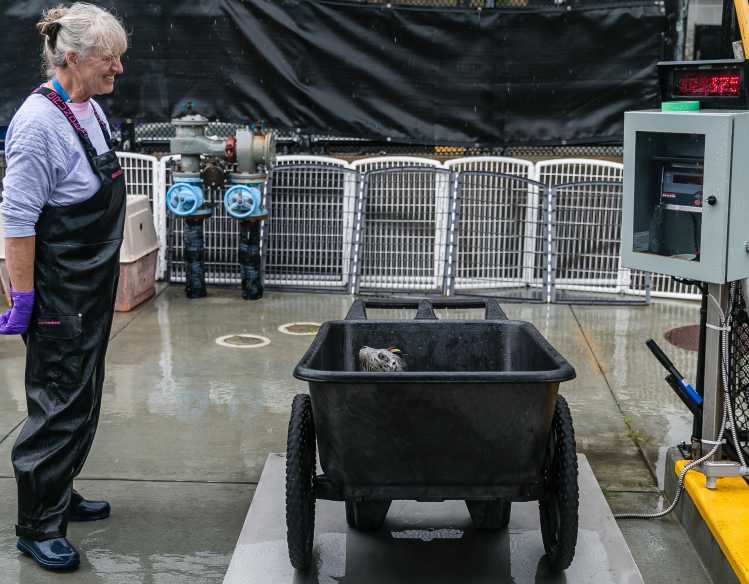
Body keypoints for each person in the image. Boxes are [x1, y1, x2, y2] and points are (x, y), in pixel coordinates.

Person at [0, 3, 127, 572]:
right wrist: (23, 299)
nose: (118, 69)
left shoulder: (87, 108)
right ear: (72, 58)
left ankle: (60, 489)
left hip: (89, 291)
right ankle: (37, 525)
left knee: (83, 395)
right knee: (56, 406)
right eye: (110, 58)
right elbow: (18, 221)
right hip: (56, 295)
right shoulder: (36, 126)